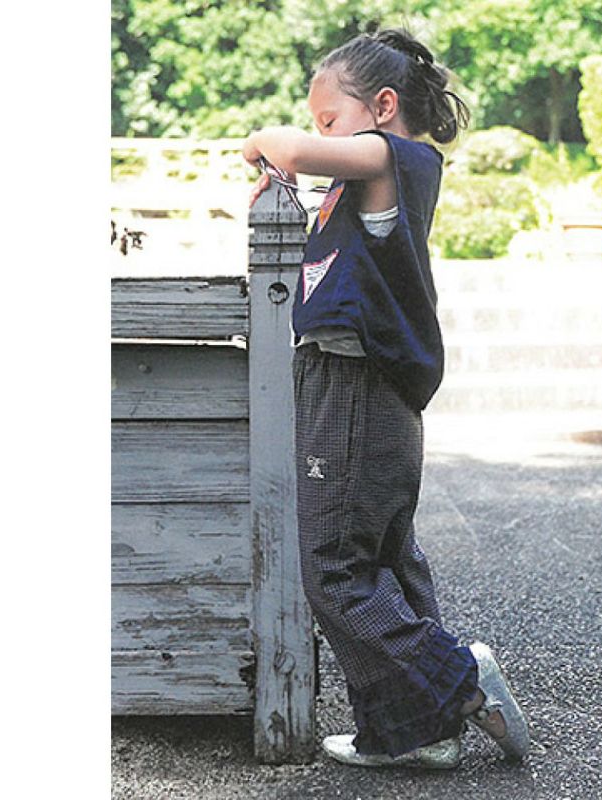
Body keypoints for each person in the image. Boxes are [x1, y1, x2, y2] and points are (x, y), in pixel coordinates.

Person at [242, 27, 530, 770]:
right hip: (363, 386)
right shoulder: (363, 179)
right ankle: (414, 730)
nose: (319, 134)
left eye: (329, 118)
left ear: (384, 106)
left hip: (356, 384)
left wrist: (269, 146)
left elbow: (289, 148)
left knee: (335, 568)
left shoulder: (397, 158)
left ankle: (458, 682)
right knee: (385, 561)